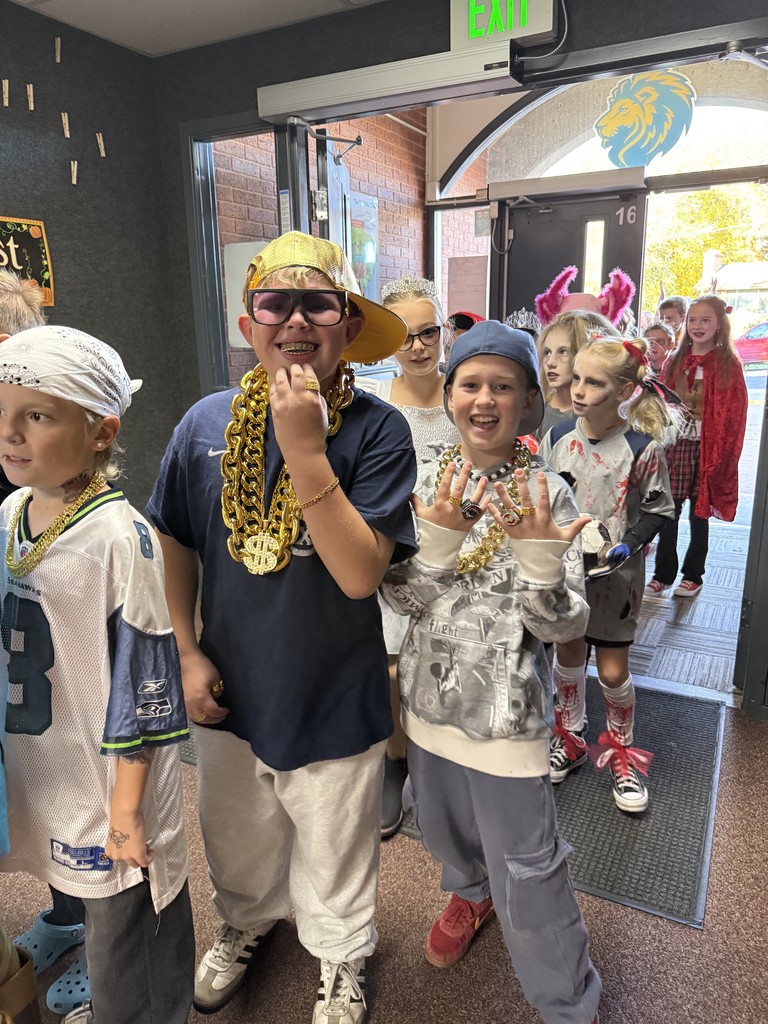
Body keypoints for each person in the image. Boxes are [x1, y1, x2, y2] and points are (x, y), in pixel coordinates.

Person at [147, 231, 417, 1024]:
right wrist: (187, 651)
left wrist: (305, 451)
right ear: (247, 322)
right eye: (276, 303)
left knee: (335, 839)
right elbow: (173, 539)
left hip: (331, 688)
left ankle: (340, 954)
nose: (296, 321)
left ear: (349, 323)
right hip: (231, 680)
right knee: (237, 831)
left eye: (319, 304)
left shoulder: (376, 430)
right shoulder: (203, 423)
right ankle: (248, 921)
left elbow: (361, 572)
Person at [382, 321, 601, 1024]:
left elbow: (566, 629)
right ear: (449, 397)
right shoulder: (424, 483)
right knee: (440, 826)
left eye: (502, 387)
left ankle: (567, 1002)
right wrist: (437, 546)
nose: (484, 400)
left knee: (530, 871)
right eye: (470, 385)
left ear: (530, 402)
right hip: (427, 706)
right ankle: (469, 891)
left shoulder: (550, 498)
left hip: (507, 718)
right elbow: (397, 599)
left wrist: (540, 562)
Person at [0, 326, 194, 1024]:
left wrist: (126, 806)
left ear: (102, 431)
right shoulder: (12, 511)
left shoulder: (120, 538)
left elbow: (147, 683)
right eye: (0, 412)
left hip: (108, 778)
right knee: (67, 884)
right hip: (45, 751)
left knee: (127, 928)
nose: (10, 433)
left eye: (37, 416)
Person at [0, 270, 92, 1015]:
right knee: (32, 793)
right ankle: (67, 916)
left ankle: (95, 924)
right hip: (12, 660)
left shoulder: (38, 453)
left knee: (71, 789)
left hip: (52, 657)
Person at [539, 337, 676, 813]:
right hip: (567, 572)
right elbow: (544, 495)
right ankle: (570, 735)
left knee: (613, 670)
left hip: (616, 578)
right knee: (569, 652)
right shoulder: (556, 439)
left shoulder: (641, 448)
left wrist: (628, 544)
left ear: (624, 392)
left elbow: (660, 508)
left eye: (594, 382)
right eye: (576, 377)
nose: (578, 389)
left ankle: (622, 752)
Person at [357, 276, 460, 837]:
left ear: (444, 330)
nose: (418, 347)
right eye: (406, 337)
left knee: (453, 659)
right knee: (392, 665)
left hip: (462, 552)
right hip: (395, 551)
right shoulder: (372, 407)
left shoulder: (468, 394)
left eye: (428, 333)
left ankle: (448, 764)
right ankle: (396, 763)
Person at [646, 294, 747, 599]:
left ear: (719, 325)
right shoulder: (676, 360)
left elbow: (736, 412)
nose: (698, 326)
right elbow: (660, 404)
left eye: (706, 320)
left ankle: (693, 575)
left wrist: (726, 455)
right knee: (668, 512)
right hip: (676, 447)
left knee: (699, 515)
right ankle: (663, 574)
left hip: (708, 450)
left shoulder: (729, 364)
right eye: (693, 320)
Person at [535, 310, 620, 441]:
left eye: (563, 352)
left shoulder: (603, 416)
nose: (550, 362)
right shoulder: (535, 409)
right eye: (547, 352)